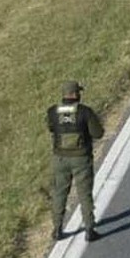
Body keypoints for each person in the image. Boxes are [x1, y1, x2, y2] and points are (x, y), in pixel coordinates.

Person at [48, 80, 104, 242]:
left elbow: (51, 128)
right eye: (78, 92)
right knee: (84, 194)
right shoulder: (85, 112)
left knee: (59, 193)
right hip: (81, 159)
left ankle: (57, 229)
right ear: (74, 94)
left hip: (60, 159)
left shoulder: (52, 111)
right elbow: (98, 133)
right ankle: (89, 229)